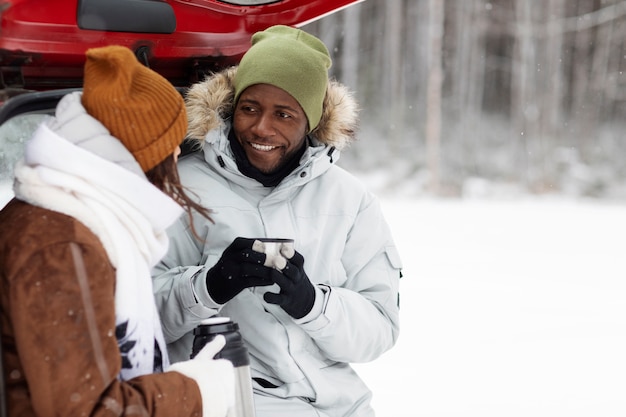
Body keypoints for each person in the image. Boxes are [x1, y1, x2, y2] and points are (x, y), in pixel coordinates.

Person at [152, 25, 402, 417]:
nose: (261, 128)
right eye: (250, 108)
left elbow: (379, 330)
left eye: (284, 114)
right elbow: (133, 320)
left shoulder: (350, 199)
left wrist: (312, 303)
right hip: (228, 399)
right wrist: (209, 286)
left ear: (312, 123)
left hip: (340, 405)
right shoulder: (180, 187)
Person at [0, 45, 235, 417]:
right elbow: (86, 410)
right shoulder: (63, 245)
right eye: (171, 148)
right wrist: (196, 390)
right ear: (142, 156)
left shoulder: (65, 213)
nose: (177, 158)